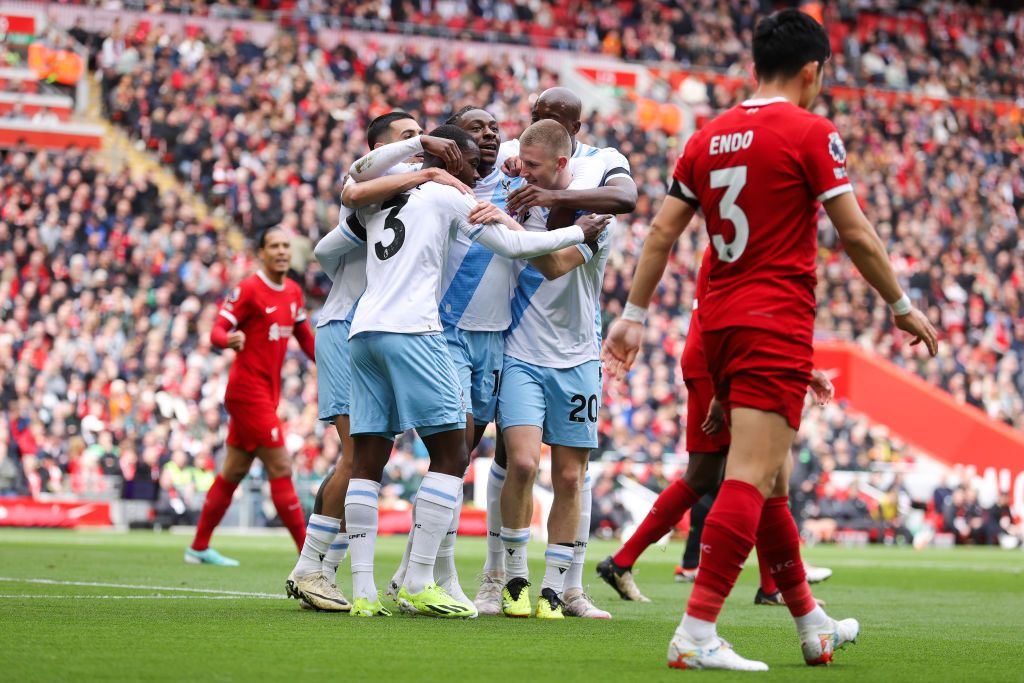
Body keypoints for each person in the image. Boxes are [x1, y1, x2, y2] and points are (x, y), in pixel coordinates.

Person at [602, 9, 937, 671]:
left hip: (719, 322)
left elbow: (662, 233)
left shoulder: (707, 135)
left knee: (774, 480)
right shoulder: (810, 131)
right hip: (773, 317)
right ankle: (697, 629)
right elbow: (858, 233)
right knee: (750, 475)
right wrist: (900, 304)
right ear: (812, 72)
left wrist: (633, 313)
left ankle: (811, 623)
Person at [334, 124, 608, 618]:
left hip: (364, 331)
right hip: (417, 330)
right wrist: (578, 232)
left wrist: (422, 153)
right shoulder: (449, 195)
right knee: (452, 451)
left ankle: (364, 593)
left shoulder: (379, 195)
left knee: (367, 460)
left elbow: (352, 180)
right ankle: (419, 579)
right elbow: (518, 249)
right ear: (454, 158)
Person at [285, 111, 468, 612]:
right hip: (349, 324)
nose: (419, 142)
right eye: (407, 136)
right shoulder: (374, 194)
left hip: (375, 327)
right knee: (356, 456)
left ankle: (325, 571)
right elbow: (326, 246)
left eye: (421, 134)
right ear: (382, 146)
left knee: (370, 457)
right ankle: (312, 567)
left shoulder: (412, 197)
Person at [477, 87, 639, 619]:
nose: (526, 176)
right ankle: (509, 578)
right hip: (520, 348)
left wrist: (530, 216)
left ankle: (562, 587)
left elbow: (554, 262)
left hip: (577, 356)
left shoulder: (594, 203)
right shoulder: (519, 173)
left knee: (571, 476)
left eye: (536, 169)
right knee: (519, 461)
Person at [597, 251, 834, 605]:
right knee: (766, 467)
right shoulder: (750, 235)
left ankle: (622, 561)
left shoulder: (734, 232)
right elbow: (739, 312)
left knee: (704, 475)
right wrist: (724, 387)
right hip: (722, 358)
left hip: (711, 354)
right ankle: (772, 587)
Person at [185, 227, 317, 566]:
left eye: (286, 245)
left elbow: (305, 339)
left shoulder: (292, 291)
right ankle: (308, 556)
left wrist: (336, 364)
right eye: (273, 245)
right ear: (262, 252)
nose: (281, 251)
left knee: (233, 471)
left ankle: (198, 548)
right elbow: (217, 329)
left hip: (267, 394)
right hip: (247, 393)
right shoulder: (248, 289)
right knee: (281, 465)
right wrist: (226, 340)